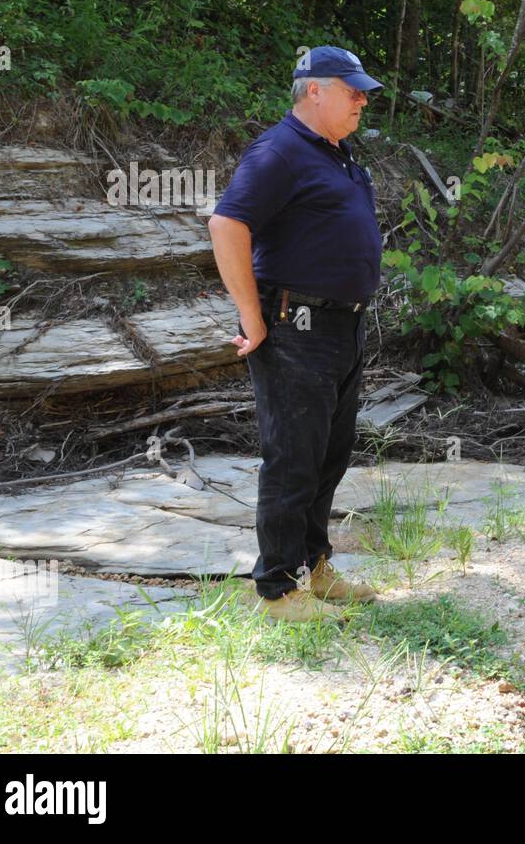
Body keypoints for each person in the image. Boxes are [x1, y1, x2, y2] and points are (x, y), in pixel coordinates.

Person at [207, 46, 383, 621]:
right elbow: (227, 223)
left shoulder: (338, 154)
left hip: (342, 326)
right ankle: (277, 590)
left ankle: (317, 567)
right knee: (293, 459)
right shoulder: (279, 150)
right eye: (351, 89)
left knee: (329, 456)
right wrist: (252, 318)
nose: (362, 99)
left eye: (363, 91)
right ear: (314, 90)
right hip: (294, 327)